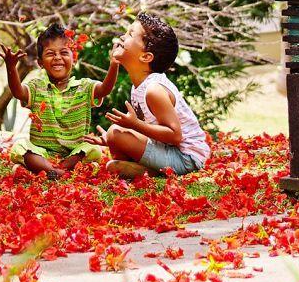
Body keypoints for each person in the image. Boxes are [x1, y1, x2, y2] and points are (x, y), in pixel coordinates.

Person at [87, 13, 210, 177]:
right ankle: (138, 169)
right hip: (169, 151)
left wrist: (134, 125)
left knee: (116, 131)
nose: (122, 37)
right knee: (115, 133)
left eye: (130, 34)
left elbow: (175, 135)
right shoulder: (139, 86)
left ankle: (149, 172)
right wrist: (113, 139)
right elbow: (152, 129)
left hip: (186, 158)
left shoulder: (154, 90)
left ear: (145, 56)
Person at [0, 23, 121, 179]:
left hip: (73, 153)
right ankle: (57, 171)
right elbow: (17, 92)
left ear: (74, 58)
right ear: (40, 63)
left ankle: (52, 171)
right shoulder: (36, 87)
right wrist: (11, 67)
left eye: (64, 52)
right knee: (19, 148)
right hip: (41, 153)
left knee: (93, 150)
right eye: (50, 53)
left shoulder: (84, 87)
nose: (57, 57)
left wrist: (114, 64)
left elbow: (105, 89)